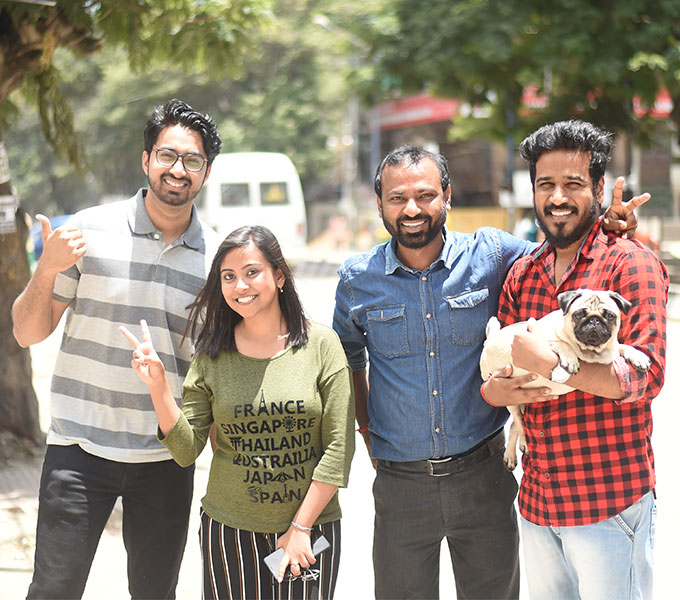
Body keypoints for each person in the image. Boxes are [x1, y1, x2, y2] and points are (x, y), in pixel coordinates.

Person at [331, 144, 647, 600]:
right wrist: (364, 428)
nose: (412, 209)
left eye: (425, 195)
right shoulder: (356, 278)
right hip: (401, 485)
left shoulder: (493, 254)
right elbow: (348, 358)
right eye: (397, 198)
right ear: (378, 203)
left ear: (448, 196)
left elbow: (561, 248)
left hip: (484, 475)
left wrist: (606, 226)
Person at [11, 98, 222, 599]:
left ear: (206, 172)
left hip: (166, 457)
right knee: (53, 590)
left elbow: (215, 375)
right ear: (146, 159)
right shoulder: (87, 230)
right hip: (79, 448)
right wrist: (45, 268)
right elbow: (26, 333)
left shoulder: (219, 260)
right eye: (167, 155)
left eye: (192, 160)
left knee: (155, 594)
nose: (178, 169)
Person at [483, 119, 668, 600]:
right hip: (539, 504)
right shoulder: (522, 273)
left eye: (573, 184)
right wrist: (495, 390)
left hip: (609, 504)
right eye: (546, 184)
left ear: (600, 188)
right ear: (533, 190)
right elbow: (499, 363)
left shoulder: (631, 264)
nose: (558, 197)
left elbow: (645, 378)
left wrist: (551, 364)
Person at [120, 225, 355, 600]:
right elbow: (185, 450)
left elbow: (339, 449)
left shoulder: (322, 345)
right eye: (228, 277)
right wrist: (159, 387)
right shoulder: (211, 354)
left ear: (279, 276)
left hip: (310, 529)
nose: (240, 285)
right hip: (229, 531)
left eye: (251, 272)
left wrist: (300, 526)